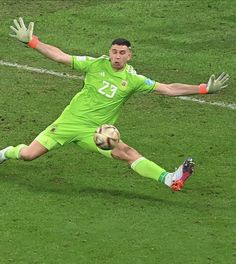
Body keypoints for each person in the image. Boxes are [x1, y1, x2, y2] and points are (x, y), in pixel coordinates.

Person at [0, 17, 229, 191]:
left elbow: (168, 88)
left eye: (122, 53)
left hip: (98, 132)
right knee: (29, 155)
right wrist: (32, 41)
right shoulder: (94, 65)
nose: (117, 56)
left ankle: (170, 179)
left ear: (130, 55)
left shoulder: (133, 80)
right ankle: (4, 153)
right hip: (69, 123)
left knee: (127, 153)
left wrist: (203, 89)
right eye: (114, 52)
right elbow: (60, 56)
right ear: (109, 52)